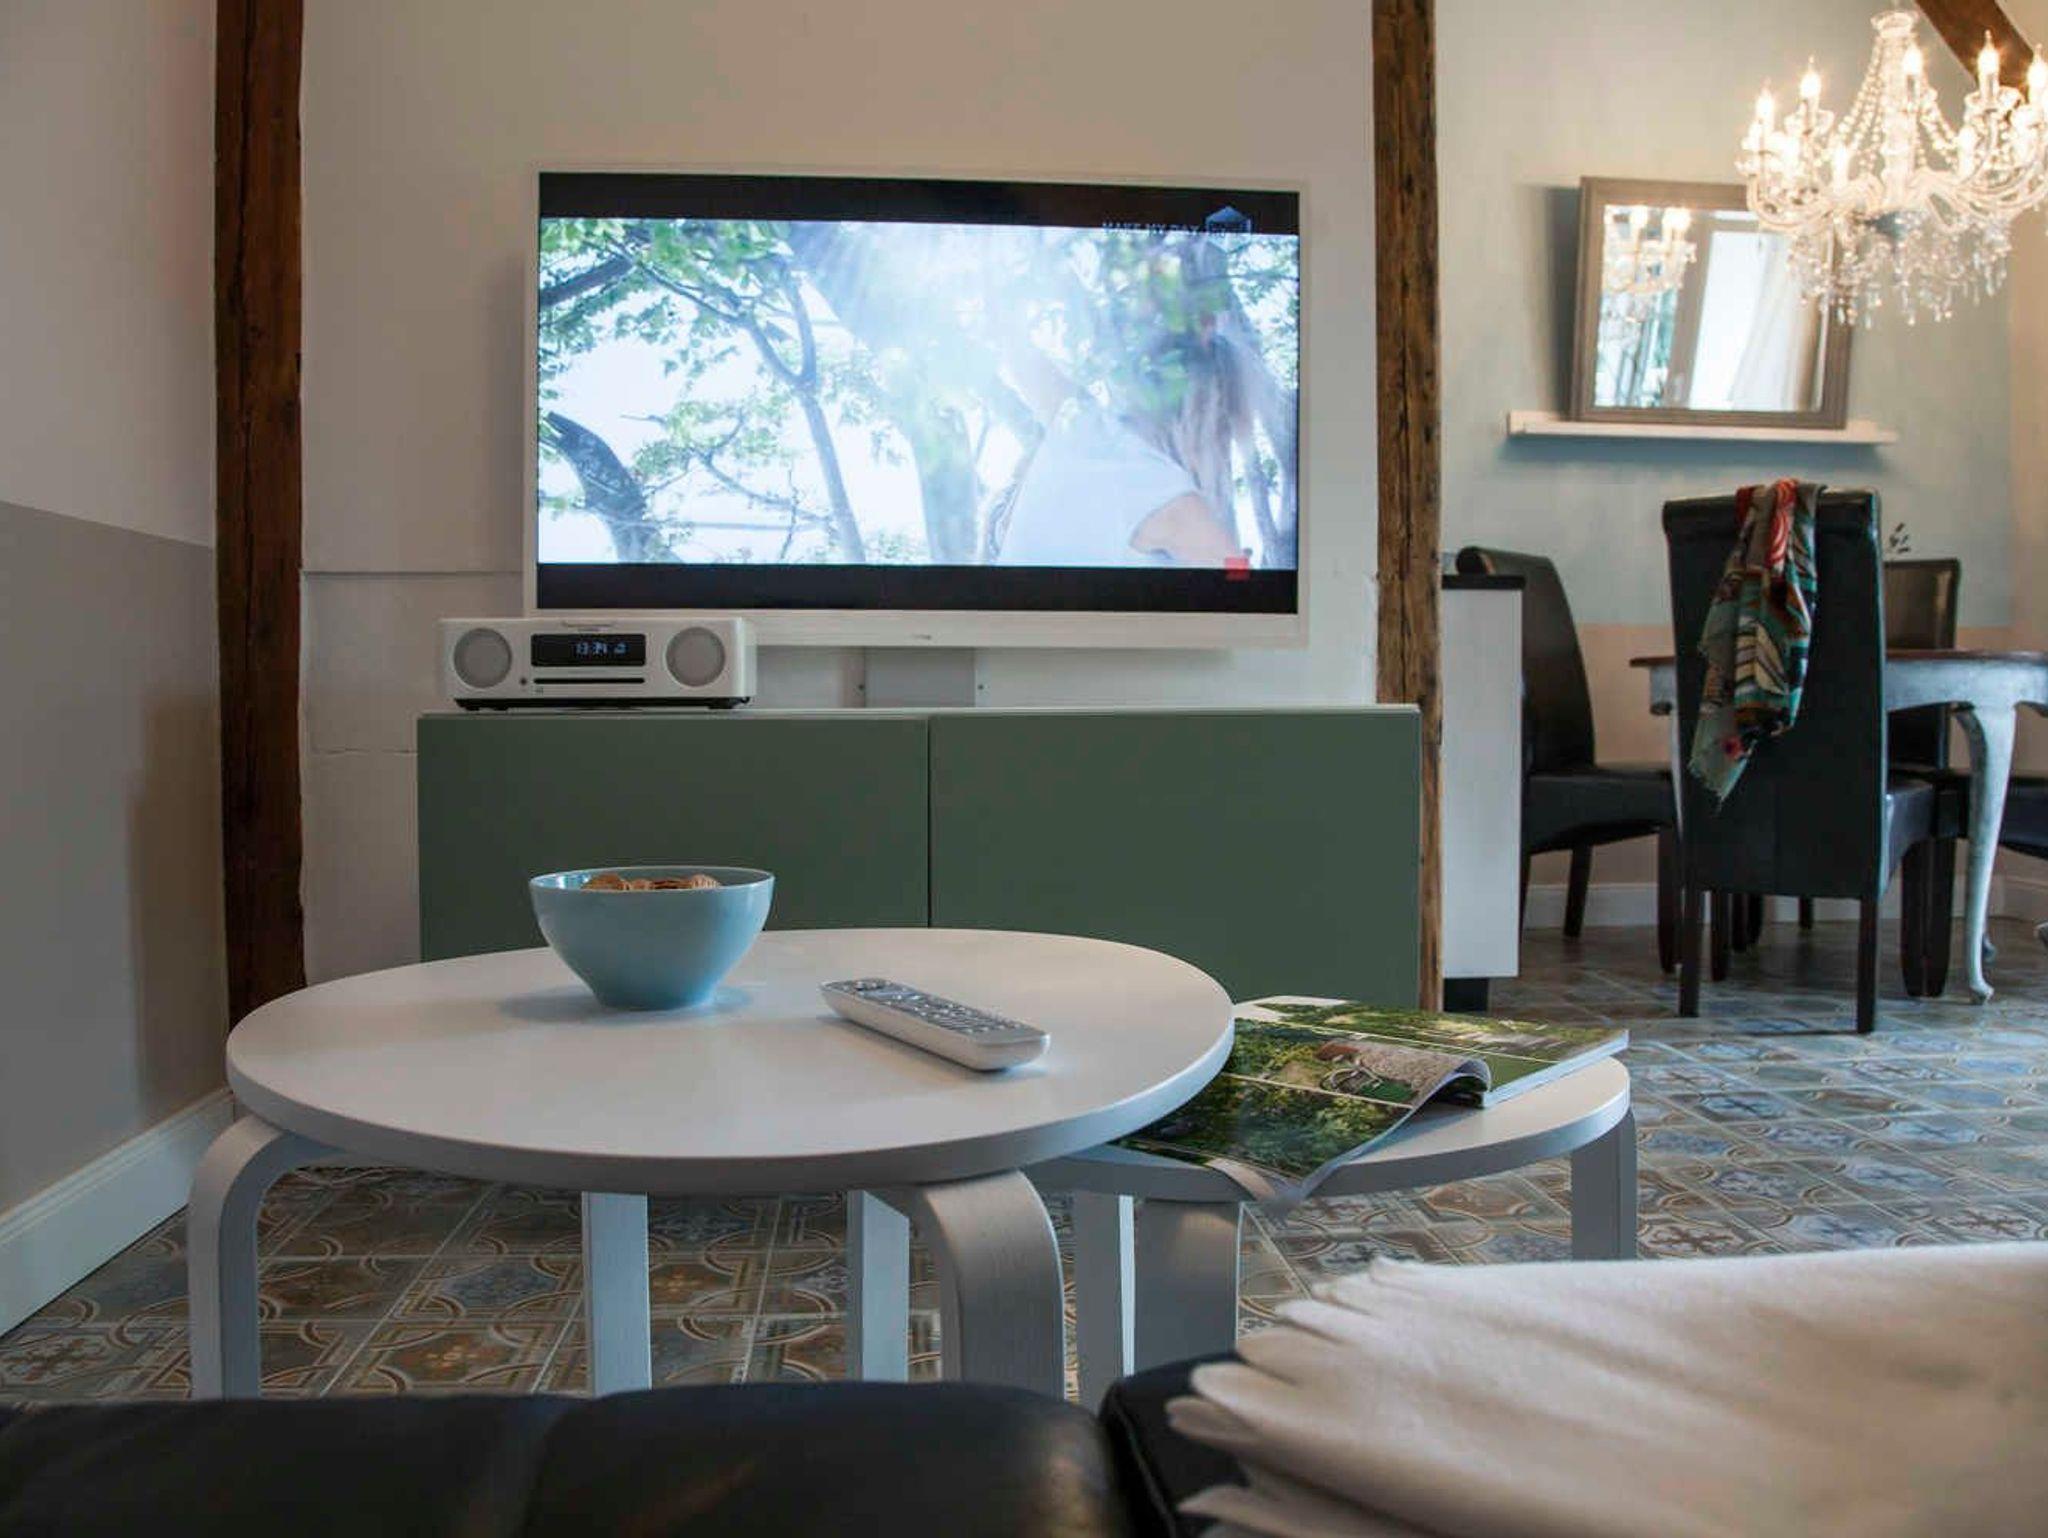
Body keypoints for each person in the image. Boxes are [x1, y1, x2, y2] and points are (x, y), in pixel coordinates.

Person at [990, 318, 1247, 569]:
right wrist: (1243, 565)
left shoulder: (1085, 426)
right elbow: (1236, 576)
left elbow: (1019, 355)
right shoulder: (1164, 489)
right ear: (1212, 418)